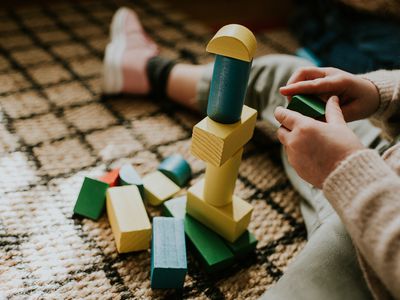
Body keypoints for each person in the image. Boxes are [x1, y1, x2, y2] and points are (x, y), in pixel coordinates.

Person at [102, 7, 400, 299]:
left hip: (375, 256)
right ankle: (145, 69)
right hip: (385, 156)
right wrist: (378, 91)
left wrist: (344, 169)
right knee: (288, 77)